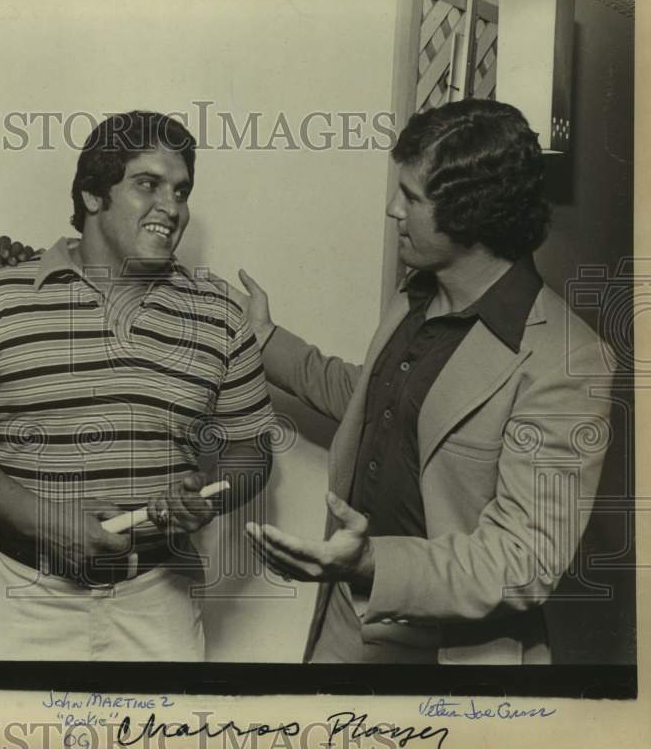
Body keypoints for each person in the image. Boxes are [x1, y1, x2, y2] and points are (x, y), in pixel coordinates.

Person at [233, 98, 614, 664]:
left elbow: (525, 560)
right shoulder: (416, 292)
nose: (393, 209)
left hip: (447, 653)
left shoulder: (567, 359)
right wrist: (266, 340)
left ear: (473, 215)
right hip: (343, 619)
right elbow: (373, 400)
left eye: (411, 197)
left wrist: (373, 565)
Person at [0, 111, 275, 661]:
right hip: (22, 598)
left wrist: (209, 499)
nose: (172, 207)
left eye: (182, 191)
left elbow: (252, 448)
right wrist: (47, 522)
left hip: (157, 598)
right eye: (148, 184)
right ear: (94, 195)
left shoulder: (218, 313)